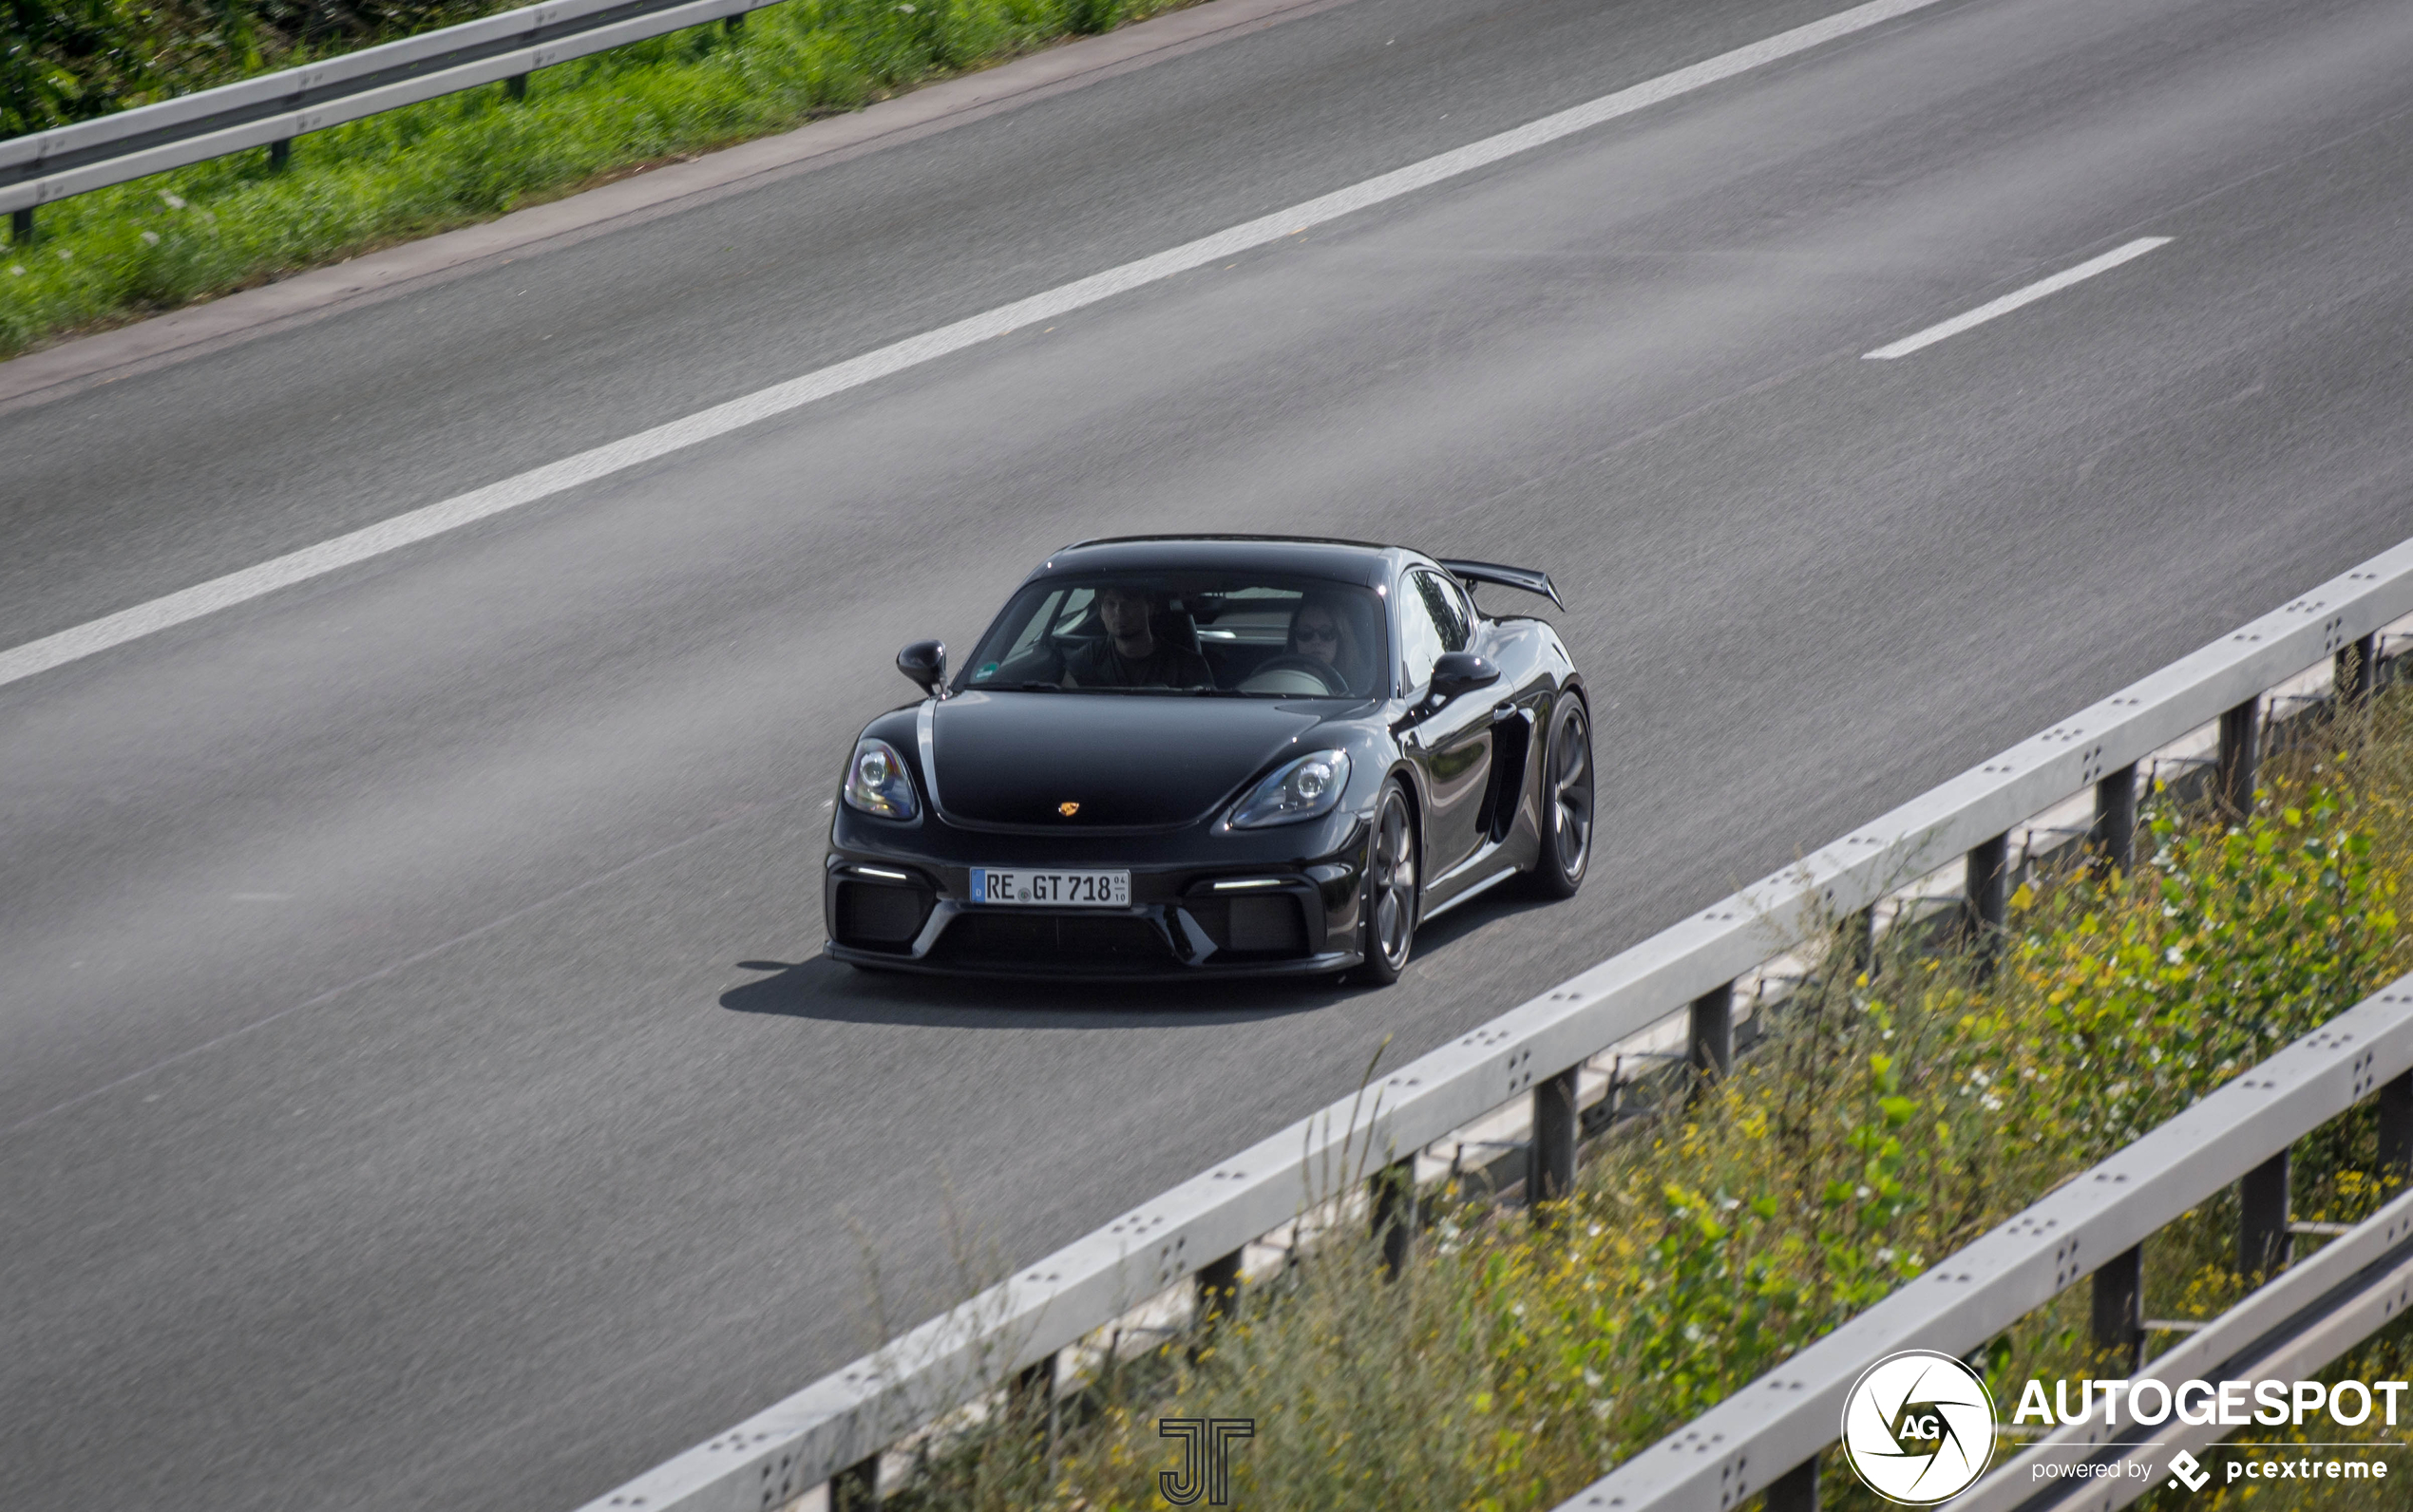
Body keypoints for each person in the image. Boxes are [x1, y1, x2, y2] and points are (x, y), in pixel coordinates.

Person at [1063, 585, 1214, 689]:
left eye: (1129, 602)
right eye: (1110, 604)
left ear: (1150, 607)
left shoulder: (1188, 665)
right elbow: (1065, 707)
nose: (1119, 611)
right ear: (1101, 614)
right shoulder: (1090, 658)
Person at [1286, 588, 1370, 692]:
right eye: (1306, 633)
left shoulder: (1364, 691)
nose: (1316, 641)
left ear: (1341, 638)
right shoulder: (1278, 682)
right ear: (1295, 638)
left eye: (1326, 633)